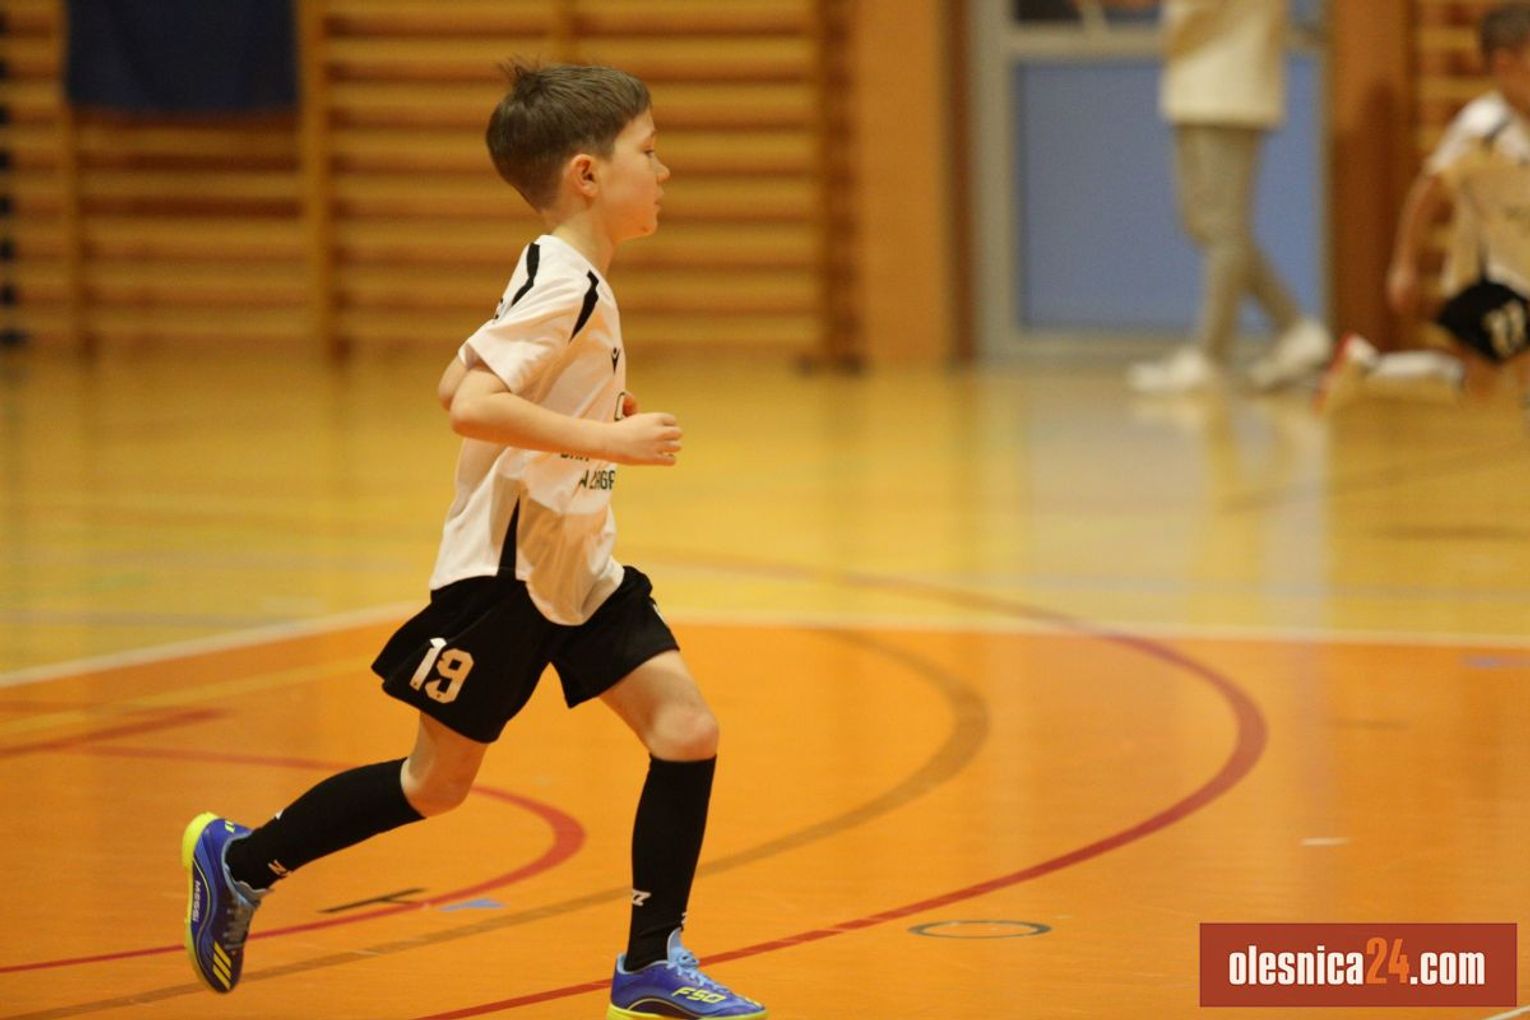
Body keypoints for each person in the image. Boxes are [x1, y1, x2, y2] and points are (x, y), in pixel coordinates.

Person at [181, 61, 768, 1020]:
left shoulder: (563, 276)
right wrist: (607, 440)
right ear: (587, 175)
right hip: (506, 580)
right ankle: (241, 860)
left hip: (577, 567)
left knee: (686, 730)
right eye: (649, 152)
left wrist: (583, 422)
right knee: (435, 785)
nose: (664, 172)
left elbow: (456, 383)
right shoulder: (563, 281)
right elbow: (473, 408)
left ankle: (650, 963)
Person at [1103, 0, 1332, 394]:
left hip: (1227, 90)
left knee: (1224, 231)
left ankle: (1210, 355)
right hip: (1197, 87)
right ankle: (1296, 330)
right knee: (1204, 225)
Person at [1319, 3, 1530, 411]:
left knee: (1481, 386)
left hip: (1521, 274)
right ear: (1505, 64)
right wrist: (1404, 264)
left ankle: (1366, 371)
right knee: (1523, 368)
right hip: (1486, 279)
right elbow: (1428, 193)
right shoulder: (1483, 127)